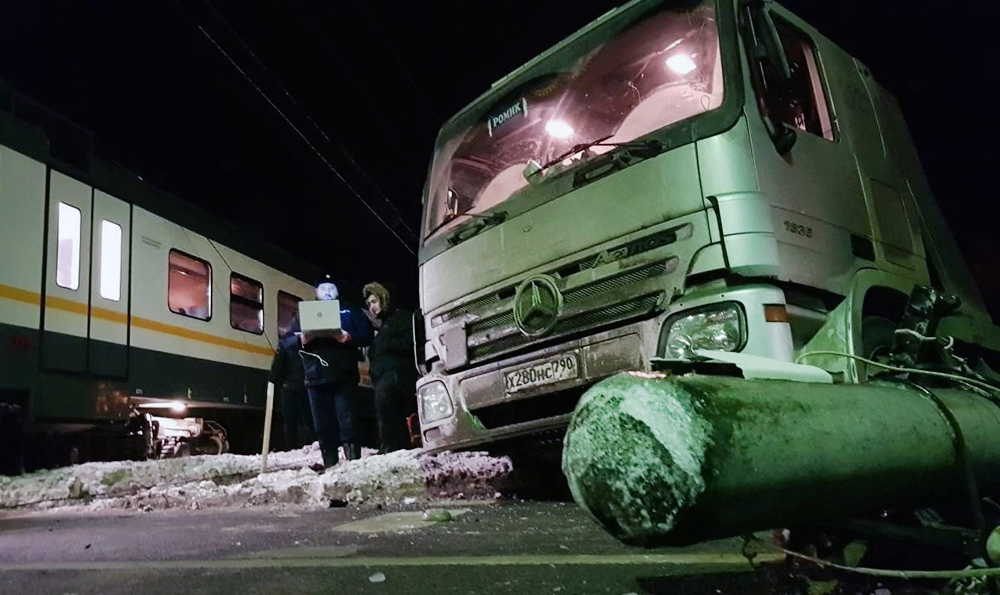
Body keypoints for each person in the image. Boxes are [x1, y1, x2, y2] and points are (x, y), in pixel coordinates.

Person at [299, 276, 373, 468]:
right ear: (316, 292)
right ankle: (330, 464)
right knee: (323, 425)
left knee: (348, 421)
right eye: (323, 289)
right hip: (315, 376)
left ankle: (352, 463)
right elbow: (288, 343)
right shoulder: (305, 312)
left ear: (337, 290)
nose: (327, 292)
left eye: (331, 288)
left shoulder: (350, 309)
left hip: (344, 375)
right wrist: (303, 340)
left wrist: (348, 337)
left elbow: (367, 334)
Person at [363, 281, 418, 454]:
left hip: (395, 376)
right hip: (385, 377)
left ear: (383, 298)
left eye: (374, 301)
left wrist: (383, 344)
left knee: (389, 412)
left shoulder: (402, 318)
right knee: (386, 412)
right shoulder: (386, 324)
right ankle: (390, 448)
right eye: (369, 304)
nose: (371, 307)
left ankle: (391, 448)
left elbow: (409, 344)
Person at [268, 316, 315, 449]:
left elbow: (277, 366)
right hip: (308, 387)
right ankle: (316, 445)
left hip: (289, 388)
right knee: (311, 420)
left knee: (290, 423)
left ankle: (291, 448)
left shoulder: (285, 342)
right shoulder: (312, 340)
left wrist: (272, 381)